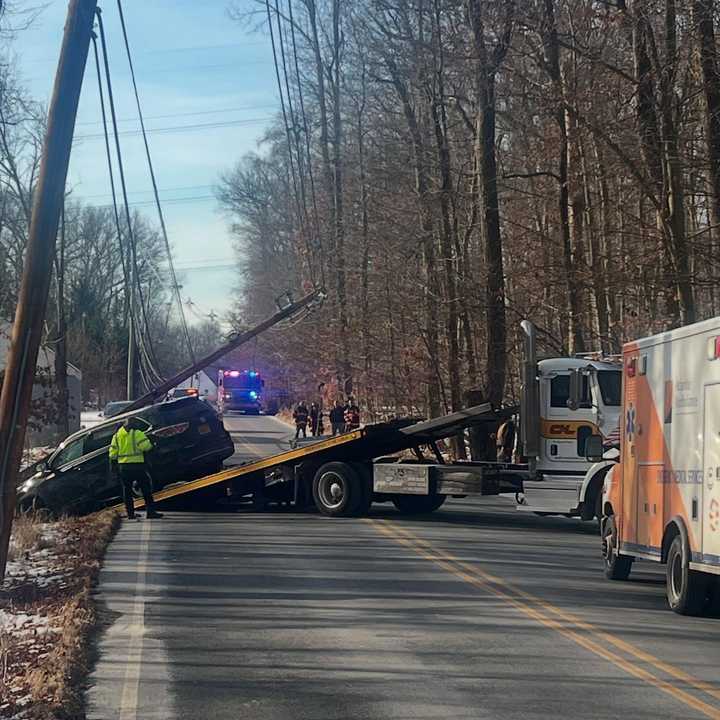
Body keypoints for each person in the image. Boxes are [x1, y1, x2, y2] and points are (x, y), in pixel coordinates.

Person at [109, 416, 162, 520]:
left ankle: (130, 514)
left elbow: (112, 453)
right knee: (146, 489)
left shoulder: (116, 436)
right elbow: (146, 447)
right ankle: (150, 512)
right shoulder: (137, 433)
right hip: (138, 466)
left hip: (124, 467)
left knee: (127, 491)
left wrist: (113, 466)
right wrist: (153, 444)